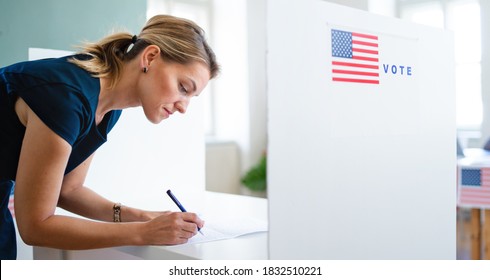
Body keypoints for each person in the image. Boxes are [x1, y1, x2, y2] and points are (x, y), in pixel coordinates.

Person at [0, 14, 219, 260]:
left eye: (191, 97)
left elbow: (68, 190)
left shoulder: (109, 107)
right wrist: (144, 232)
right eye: (183, 88)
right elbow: (35, 227)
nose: (183, 107)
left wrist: (143, 216)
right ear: (150, 57)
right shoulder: (67, 97)